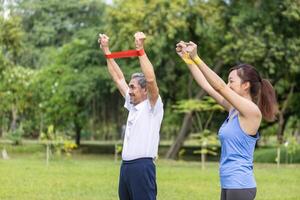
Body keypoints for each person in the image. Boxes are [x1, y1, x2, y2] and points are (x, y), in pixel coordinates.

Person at [176, 41, 277, 200]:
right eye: (228, 81)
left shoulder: (252, 112)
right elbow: (207, 86)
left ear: (245, 85)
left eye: (231, 81)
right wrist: (188, 59)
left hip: (240, 185)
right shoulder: (233, 109)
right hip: (229, 184)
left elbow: (220, 87)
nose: (228, 85)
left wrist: (197, 57)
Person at [98, 32, 164, 200]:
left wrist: (140, 49)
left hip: (143, 167)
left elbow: (150, 79)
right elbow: (118, 78)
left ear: (144, 90)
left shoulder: (153, 106)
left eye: (133, 87)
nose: (130, 91)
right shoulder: (132, 105)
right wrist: (106, 50)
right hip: (126, 167)